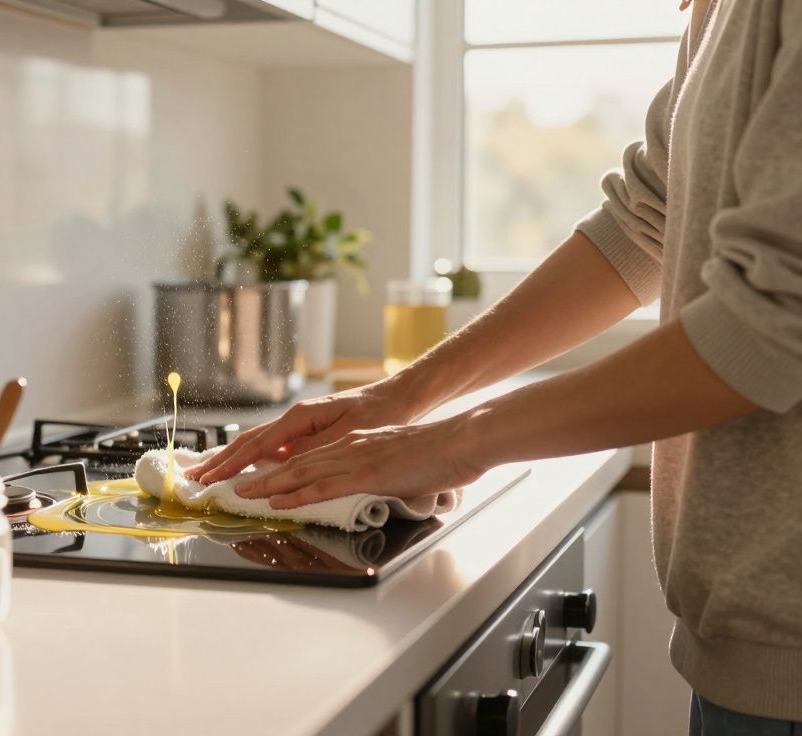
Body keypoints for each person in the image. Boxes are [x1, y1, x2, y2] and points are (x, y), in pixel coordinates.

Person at [185, 0, 801, 732]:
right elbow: (647, 219)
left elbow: (770, 320)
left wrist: (451, 444)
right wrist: (399, 398)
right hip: (745, 645)